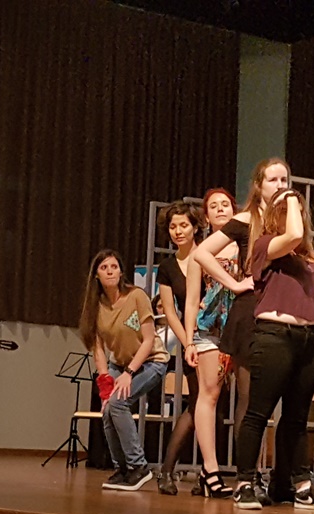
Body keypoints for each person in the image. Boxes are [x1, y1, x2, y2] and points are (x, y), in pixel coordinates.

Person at [232, 188, 314, 511]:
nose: (298, 214)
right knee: (258, 413)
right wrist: (289, 196)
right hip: (274, 336)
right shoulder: (265, 246)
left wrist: (309, 302)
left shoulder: (308, 258)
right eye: (291, 209)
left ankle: (298, 484)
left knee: (296, 417)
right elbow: (292, 235)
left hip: (308, 339)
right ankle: (244, 483)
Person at [193, 158, 288, 505]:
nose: (280, 185)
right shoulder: (246, 220)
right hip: (245, 317)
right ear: (258, 185)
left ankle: (265, 475)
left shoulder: (287, 222)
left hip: (278, 317)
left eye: (284, 179)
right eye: (273, 179)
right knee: (244, 399)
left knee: (265, 401)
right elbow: (202, 254)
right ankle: (242, 477)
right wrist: (234, 284)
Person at [79, 249, 169, 491]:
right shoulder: (96, 306)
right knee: (108, 409)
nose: (110, 271)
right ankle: (122, 469)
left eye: (114, 267)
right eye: (104, 268)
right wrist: (105, 385)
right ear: (96, 275)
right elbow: (98, 349)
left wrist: (129, 373)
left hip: (151, 360)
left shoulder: (136, 296)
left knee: (119, 403)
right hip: (118, 364)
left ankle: (139, 466)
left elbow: (148, 340)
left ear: (120, 271)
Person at [184, 188, 239, 498]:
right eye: (214, 206)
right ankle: (211, 469)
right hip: (210, 329)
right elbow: (192, 300)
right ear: (206, 217)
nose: (220, 209)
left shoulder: (246, 245)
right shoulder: (200, 252)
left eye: (225, 204)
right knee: (209, 395)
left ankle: (249, 473)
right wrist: (189, 340)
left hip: (242, 327)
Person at [154, 202, 204, 495]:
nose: (178, 231)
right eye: (173, 227)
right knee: (198, 405)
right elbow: (170, 312)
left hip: (218, 339)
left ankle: (206, 475)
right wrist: (188, 342)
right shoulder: (167, 267)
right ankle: (167, 471)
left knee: (212, 407)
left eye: (183, 225)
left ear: (195, 227)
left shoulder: (209, 255)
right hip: (190, 342)